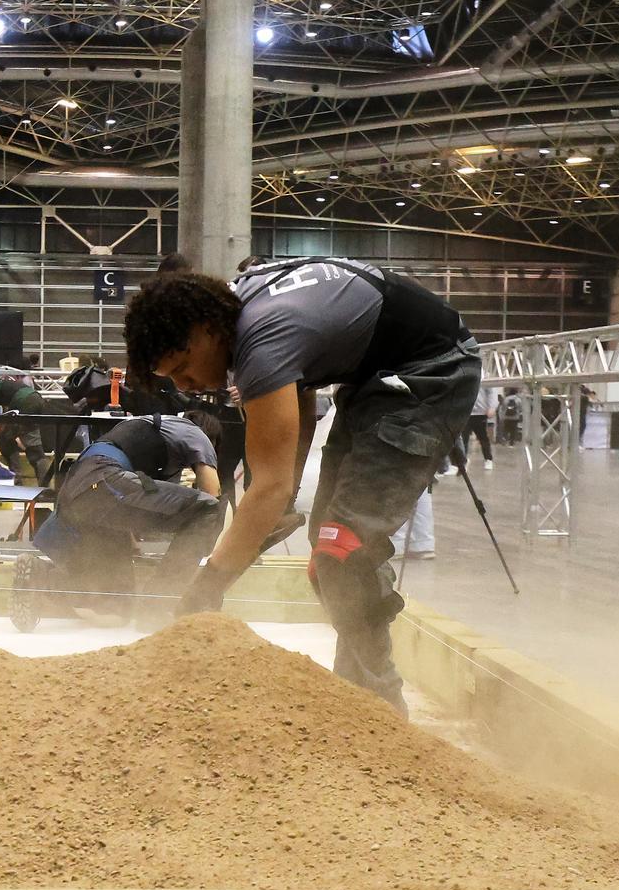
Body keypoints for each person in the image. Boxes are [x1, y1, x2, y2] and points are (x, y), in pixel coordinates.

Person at [123, 257, 480, 715]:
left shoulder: (263, 338)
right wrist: (281, 499)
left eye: (183, 366)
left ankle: (380, 713)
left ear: (205, 330)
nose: (185, 385)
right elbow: (301, 394)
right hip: (375, 378)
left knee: (345, 549)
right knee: (328, 550)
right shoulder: (240, 308)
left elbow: (268, 485)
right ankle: (355, 696)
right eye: (170, 377)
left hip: (431, 372)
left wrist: (209, 583)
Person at [38, 410, 225, 615]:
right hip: (104, 479)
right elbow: (211, 493)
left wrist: (132, 544)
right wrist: (216, 562)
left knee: (117, 601)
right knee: (208, 509)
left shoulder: (148, 434)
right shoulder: (194, 432)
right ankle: (160, 603)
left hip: (78, 494)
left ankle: (43, 580)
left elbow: (138, 506)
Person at [0, 372, 50, 482]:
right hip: (36, 398)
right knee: (32, 446)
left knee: (6, 441)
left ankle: (16, 479)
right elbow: (3, 421)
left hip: (23, 401)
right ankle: (45, 486)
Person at [466, 385, 497, 470]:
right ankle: (463, 459)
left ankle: (488, 459)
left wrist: (492, 407)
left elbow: (491, 392)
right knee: (463, 438)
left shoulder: (484, 376)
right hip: (465, 412)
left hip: (480, 412)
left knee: (483, 437)